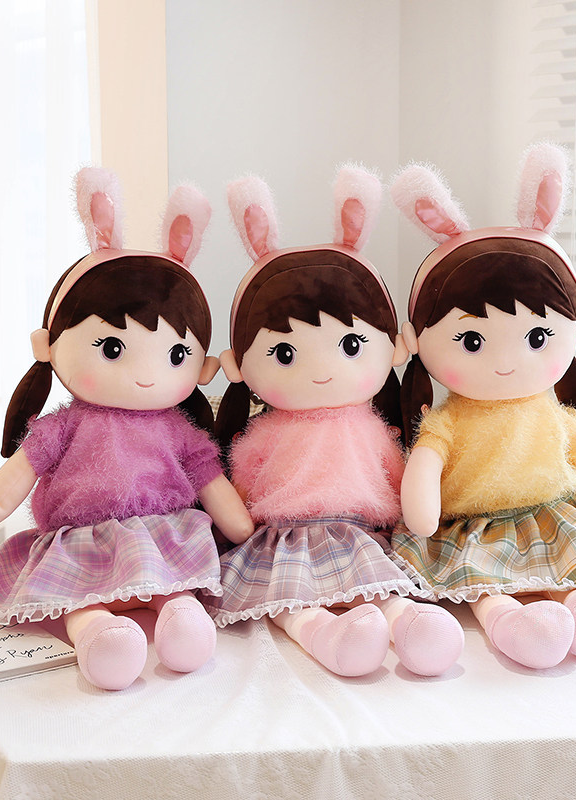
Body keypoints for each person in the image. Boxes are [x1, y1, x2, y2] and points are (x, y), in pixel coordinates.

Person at [0, 168, 252, 690]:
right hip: (81, 543)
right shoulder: (64, 426)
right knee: (81, 602)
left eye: (175, 355)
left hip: (162, 536)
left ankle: (180, 617)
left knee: (175, 594)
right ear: (50, 346)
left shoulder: (180, 431)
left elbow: (210, 481)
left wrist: (238, 526)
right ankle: (98, 635)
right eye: (113, 348)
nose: (145, 374)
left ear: (200, 364)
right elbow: (20, 473)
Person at [391, 144, 576, 670]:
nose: (507, 361)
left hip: (551, 518)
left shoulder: (558, 418)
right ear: (420, 342)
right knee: (487, 586)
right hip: (475, 525)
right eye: (472, 341)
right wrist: (421, 513)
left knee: (568, 580)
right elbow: (426, 466)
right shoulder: (448, 421)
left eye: (537, 337)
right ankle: (506, 621)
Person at [207, 166, 464, 677]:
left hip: (357, 536)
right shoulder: (265, 432)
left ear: (393, 348)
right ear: (239, 364)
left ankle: (411, 625)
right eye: (284, 353)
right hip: (284, 539)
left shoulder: (371, 425)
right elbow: (244, 486)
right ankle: (322, 635)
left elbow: (394, 476)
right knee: (289, 601)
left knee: (380, 588)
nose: (322, 370)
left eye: (350, 345)